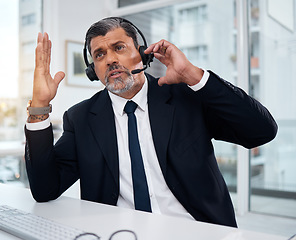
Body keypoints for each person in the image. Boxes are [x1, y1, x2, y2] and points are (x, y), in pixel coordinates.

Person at [24, 17, 277, 228]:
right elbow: (45, 189)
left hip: (197, 230)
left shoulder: (185, 97)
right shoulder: (81, 118)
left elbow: (261, 131)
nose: (110, 59)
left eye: (119, 47)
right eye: (99, 54)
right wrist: (38, 108)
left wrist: (194, 76)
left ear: (143, 55)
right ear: (94, 70)